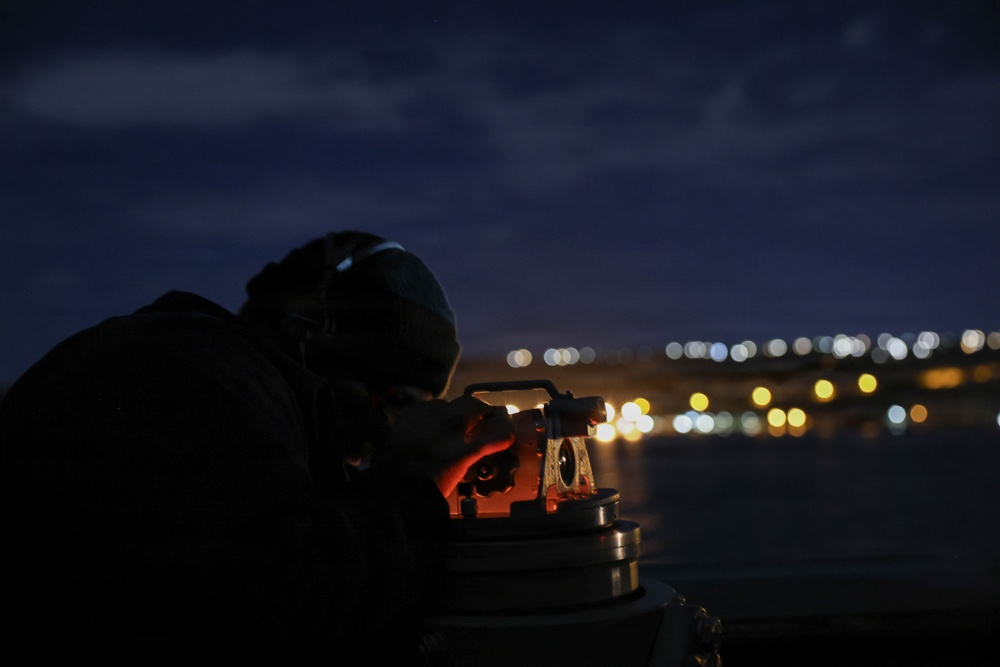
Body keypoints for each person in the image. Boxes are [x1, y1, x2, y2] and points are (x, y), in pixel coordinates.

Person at [0, 231, 515, 665]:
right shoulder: (189, 378)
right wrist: (410, 485)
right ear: (305, 332)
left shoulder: (203, 369)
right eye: (391, 398)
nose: (381, 431)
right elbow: (272, 610)